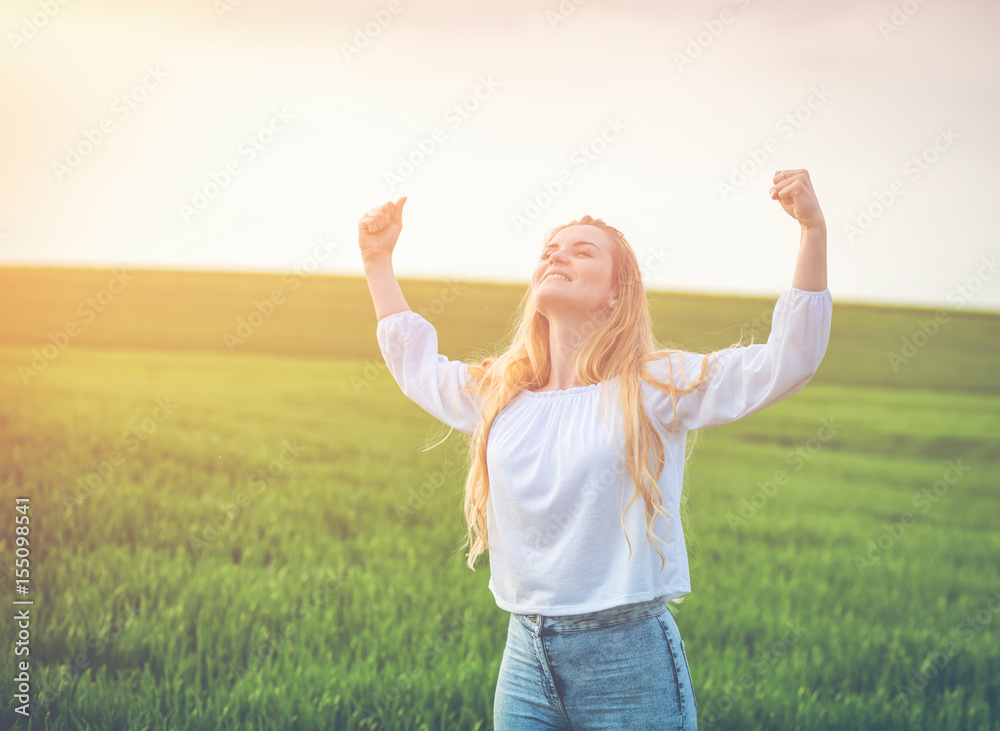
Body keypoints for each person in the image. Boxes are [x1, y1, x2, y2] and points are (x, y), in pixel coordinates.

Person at [358, 169, 831, 730]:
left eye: (583, 252)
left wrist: (812, 230)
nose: (558, 257)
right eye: (550, 250)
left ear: (616, 295)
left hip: (628, 662)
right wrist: (377, 263)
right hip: (526, 658)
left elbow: (788, 359)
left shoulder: (652, 387)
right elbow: (415, 365)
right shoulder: (502, 397)